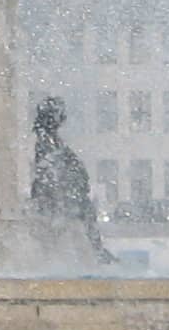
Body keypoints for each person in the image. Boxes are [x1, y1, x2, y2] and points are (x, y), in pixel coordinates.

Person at [28, 96, 112, 264]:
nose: (63, 118)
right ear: (51, 117)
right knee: (85, 211)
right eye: (60, 114)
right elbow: (49, 169)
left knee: (86, 211)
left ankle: (97, 249)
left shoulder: (52, 139)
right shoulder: (46, 140)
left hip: (64, 191)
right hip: (58, 194)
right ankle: (97, 251)